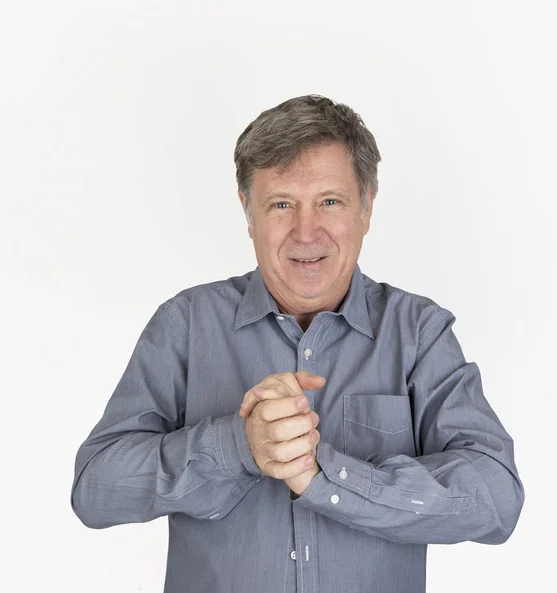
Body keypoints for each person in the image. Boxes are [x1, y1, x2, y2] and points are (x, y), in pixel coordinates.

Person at [71, 94, 524, 593]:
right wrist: (238, 447)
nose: (306, 232)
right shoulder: (186, 323)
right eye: (281, 204)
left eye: (329, 201)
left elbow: (496, 497)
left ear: (366, 207)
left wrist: (327, 476)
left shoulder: (417, 331)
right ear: (248, 212)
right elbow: (95, 489)